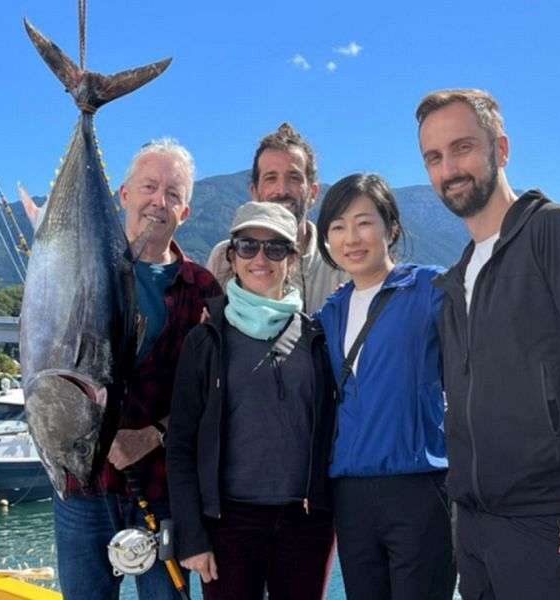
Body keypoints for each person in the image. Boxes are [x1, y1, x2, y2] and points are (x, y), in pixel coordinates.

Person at [415, 88, 560, 599]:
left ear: (501, 149)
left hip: (549, 521)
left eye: (463, 148)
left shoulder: (555, 234)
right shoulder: (458, 276)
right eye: (434, 157)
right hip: (474, 525)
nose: (449, 168)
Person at [25, 138, 222, 599]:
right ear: (124, 195)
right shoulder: (76, 268)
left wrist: (152, 434)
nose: (159, 201)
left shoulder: (203, 289)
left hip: (161, 489)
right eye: (149, 186)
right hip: (80, 486)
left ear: (186, 212)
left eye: (173, 194)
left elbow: (213, 396)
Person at [167, 201, 337, 600]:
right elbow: (180, 445)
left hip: (306, 522)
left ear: (292, 260)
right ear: (232, 257)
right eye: (248, 246)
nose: (261, 258)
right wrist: (192, 536)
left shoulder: (317, 338)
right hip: (228, 524)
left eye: (276, 248)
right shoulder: (205, 341)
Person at [314, 173, 456, 599]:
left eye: (363, 222)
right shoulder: (331, 312)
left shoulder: (430, 289)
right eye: (337, 227)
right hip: (351, 494)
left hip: (418, 485)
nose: (351, 238)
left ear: (390, 228)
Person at [205, 122, 348, 313]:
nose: (281, 190)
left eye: (294, 178)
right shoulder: (223, 258)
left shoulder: (340, 266)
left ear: (313, 192)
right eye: (271, 178)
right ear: (254, 192)